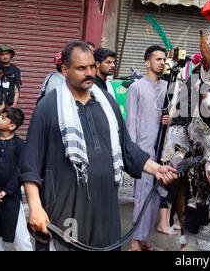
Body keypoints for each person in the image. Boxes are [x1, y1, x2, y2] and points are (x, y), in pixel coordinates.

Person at [20, 41, 177, 251]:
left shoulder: (107, 104)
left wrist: (156, 169)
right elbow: (30, 164)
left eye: (92, 66)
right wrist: (35, 207)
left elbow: (127, 147)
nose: (89, 73)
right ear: (65, 70)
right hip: (65, 209)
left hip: (105, 209)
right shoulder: (48, 108)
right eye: (81, 68)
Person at [126, 45, 173, 251]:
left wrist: (170, 119)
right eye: (158, 59)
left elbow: (176, 117)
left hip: (163, 149)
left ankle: (144, 239)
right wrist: (133, 153)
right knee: (142, 196)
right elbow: (131, 121)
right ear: (147, 63)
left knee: (157, 196)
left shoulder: (168, 87)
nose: (162, 62)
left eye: (164, 59)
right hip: (143, 151)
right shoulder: (137, 87)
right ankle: (135, 242)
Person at [0, 107, 32, 251]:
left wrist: (5, 192)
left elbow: (19, 171)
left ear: (12, 126)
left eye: (3, 117)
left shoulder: (20, 145)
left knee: (21, 240)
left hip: (11, 198)